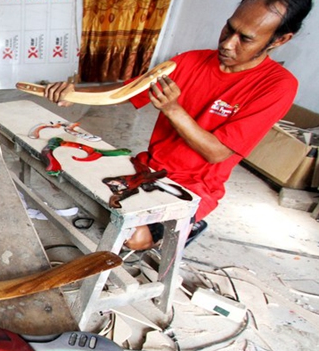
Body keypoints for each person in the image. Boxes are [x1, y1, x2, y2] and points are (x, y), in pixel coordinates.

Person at [45, 0, 313, 250]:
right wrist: (74, 92)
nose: (227, 44)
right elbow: (126, 91)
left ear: (280, 40)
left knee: (132, 238)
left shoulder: (277, 86)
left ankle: (191, 224)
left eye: (245, 38)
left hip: (195, 187)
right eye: (229, 28)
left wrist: (173, 109)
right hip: (149, 167)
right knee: (73, 180)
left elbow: (216, 152)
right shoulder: (190, 60)